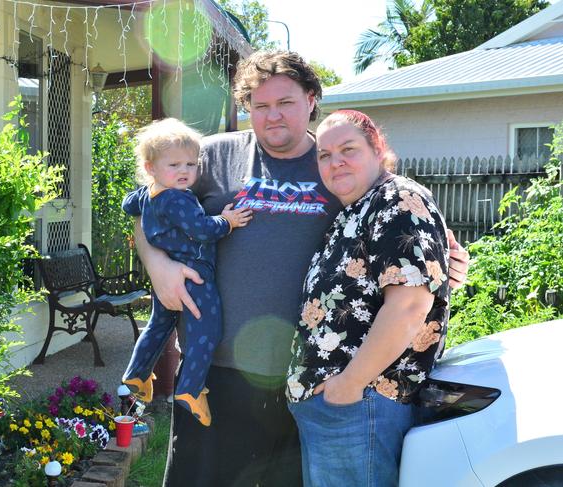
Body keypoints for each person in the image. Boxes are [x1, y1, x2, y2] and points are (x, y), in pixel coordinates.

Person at [132, 51, 470, 487]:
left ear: (311, 100)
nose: (272, 116)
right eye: (260, 105)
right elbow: (144, 210)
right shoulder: (211, 158)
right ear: (247, 109)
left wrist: (449, 263)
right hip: (215, 369)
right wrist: (156, 264)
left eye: (285, 103)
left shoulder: (339, 165)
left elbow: (409, 235)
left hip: (306, 378)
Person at [286, 109, 449, 486]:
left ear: (377, 149)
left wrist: (348, 386)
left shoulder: (398, 199)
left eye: (348, 149)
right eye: (325, 155)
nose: (335, 161)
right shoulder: (354, 212)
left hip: (361, 404)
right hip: (337, 405)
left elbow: (410, 305)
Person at [120, 118, 252, 427]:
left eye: (191, 164)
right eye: (174, 164)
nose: (184, 171)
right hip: (194, 274)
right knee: (207, 332)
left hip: (169, 274)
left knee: (159, 325)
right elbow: (202, 229)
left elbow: (128, 205)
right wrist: (228, 220)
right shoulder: (178, 198)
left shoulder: (148, 194)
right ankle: (191, 388)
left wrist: (148, 189)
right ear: (150, 167)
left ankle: (136, 374)